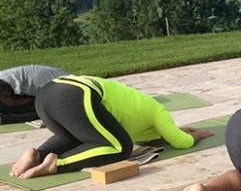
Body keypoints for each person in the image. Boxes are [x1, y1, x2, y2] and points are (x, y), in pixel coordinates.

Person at [9, 75, 213, 179]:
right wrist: (196, 135)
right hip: (75, 95)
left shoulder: (139, 111)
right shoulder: (159, 112)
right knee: (121, 147)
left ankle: (39, 154)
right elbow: (181, 142)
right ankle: (57, 164)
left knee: (82, 136)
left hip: (46, 97)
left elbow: (154, 138)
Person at [0, 64, 68, 124]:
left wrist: (5, 119)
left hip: (66, 91)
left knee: (9, 108)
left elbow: (14, 104)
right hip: (56, 88)